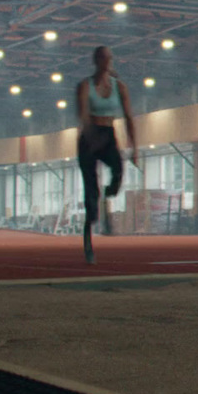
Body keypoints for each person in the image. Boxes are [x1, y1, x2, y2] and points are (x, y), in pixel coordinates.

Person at [77, 46, 138, 263]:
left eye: (108, 58)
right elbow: (83, 114)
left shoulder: (119, 87)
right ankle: (88, 244)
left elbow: (129, 116)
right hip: (89, 137)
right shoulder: (84, 86)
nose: (106, 61)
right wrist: (89, 135)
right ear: (95, 60)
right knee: (90, 197)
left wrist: (134, 147)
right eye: (102, 58)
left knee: (118, 168)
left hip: (108, 134)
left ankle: (110, 191)